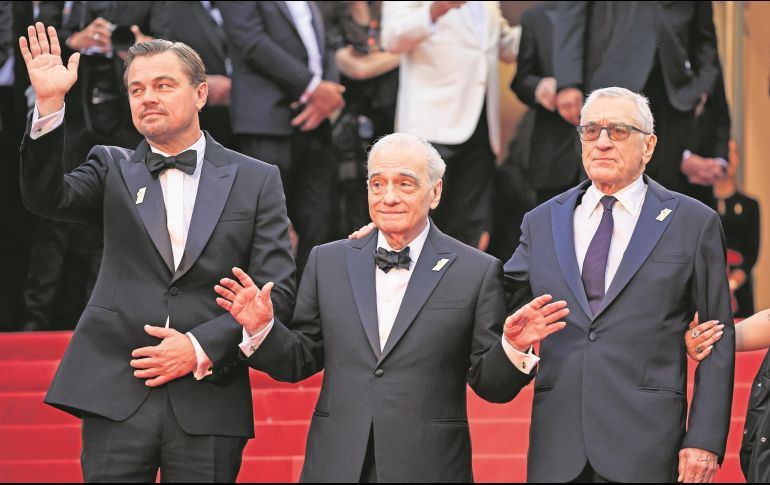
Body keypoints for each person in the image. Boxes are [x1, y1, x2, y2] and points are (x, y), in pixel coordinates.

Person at [19, 24, 295, 481]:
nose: (147, 97)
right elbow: (45, 197)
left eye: (164, 85)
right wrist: (49, 105)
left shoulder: (256, 178)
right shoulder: (110, 166)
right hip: (115, 386)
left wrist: (199, 346)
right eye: (137, 89)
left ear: (201, 93)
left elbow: (275, 292)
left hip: (209, 392)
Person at [214, 132, 567, 482]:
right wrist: (261, 329)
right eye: (377, 184)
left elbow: (491, 386)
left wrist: (513, 347)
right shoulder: (328, 261)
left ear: (436, 192)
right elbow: (300, 358)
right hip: (337, 463)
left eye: (405, 184)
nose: (389, 197)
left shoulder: (475, 270)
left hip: (430, 467)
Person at [504, 87, 735, 482]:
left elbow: (718, 335)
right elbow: (490, 296)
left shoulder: (693, 223)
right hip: (559, 445)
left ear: (649, 146)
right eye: (591, 131)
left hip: (647, 444)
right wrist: (388, 242)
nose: (603, 142)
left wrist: (704, 440)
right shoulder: (541, 222)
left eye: (619, 131)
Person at [381, 1, 521, 250]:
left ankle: (462, 288)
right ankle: (413, 288)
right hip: (429, 128)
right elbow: (391, 37)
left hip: (481, 127)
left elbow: (504, 45)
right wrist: (434, 11)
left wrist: (548, 18)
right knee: (419, 229)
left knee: (470, 229)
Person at [219, 1, 345, 274]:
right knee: (266, 229)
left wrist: (329, 93)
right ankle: (267, 312)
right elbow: (249, 40)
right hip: (265, 120)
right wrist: (312, 87)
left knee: (320, 224)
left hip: (316, 121)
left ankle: (311, 311)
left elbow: (325, 44)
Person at [553, 1, 722, 195]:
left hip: (675, 91)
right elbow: (572, 11)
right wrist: (568, 82)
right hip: (612, 77)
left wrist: (702, 87)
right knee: (606, 181)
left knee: (666, 193)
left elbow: (705, 37)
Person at [511, 1, 581, 205]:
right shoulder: (537, 17)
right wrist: (539, 86)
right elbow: (521, 79)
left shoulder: (625, 15)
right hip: (555, 155)